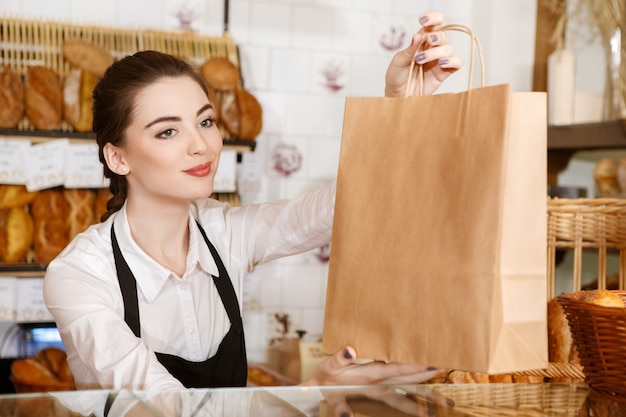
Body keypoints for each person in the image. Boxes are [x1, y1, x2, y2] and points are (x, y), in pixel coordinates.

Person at [43, 10, 462, 393]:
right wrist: (310, 395)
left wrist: (401, 109)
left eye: (205, 122)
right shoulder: (79, 276)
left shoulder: (223, 232)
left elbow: (338, 209)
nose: (202, 146)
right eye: (167, 131)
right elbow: (167, 405)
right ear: (118, 157)